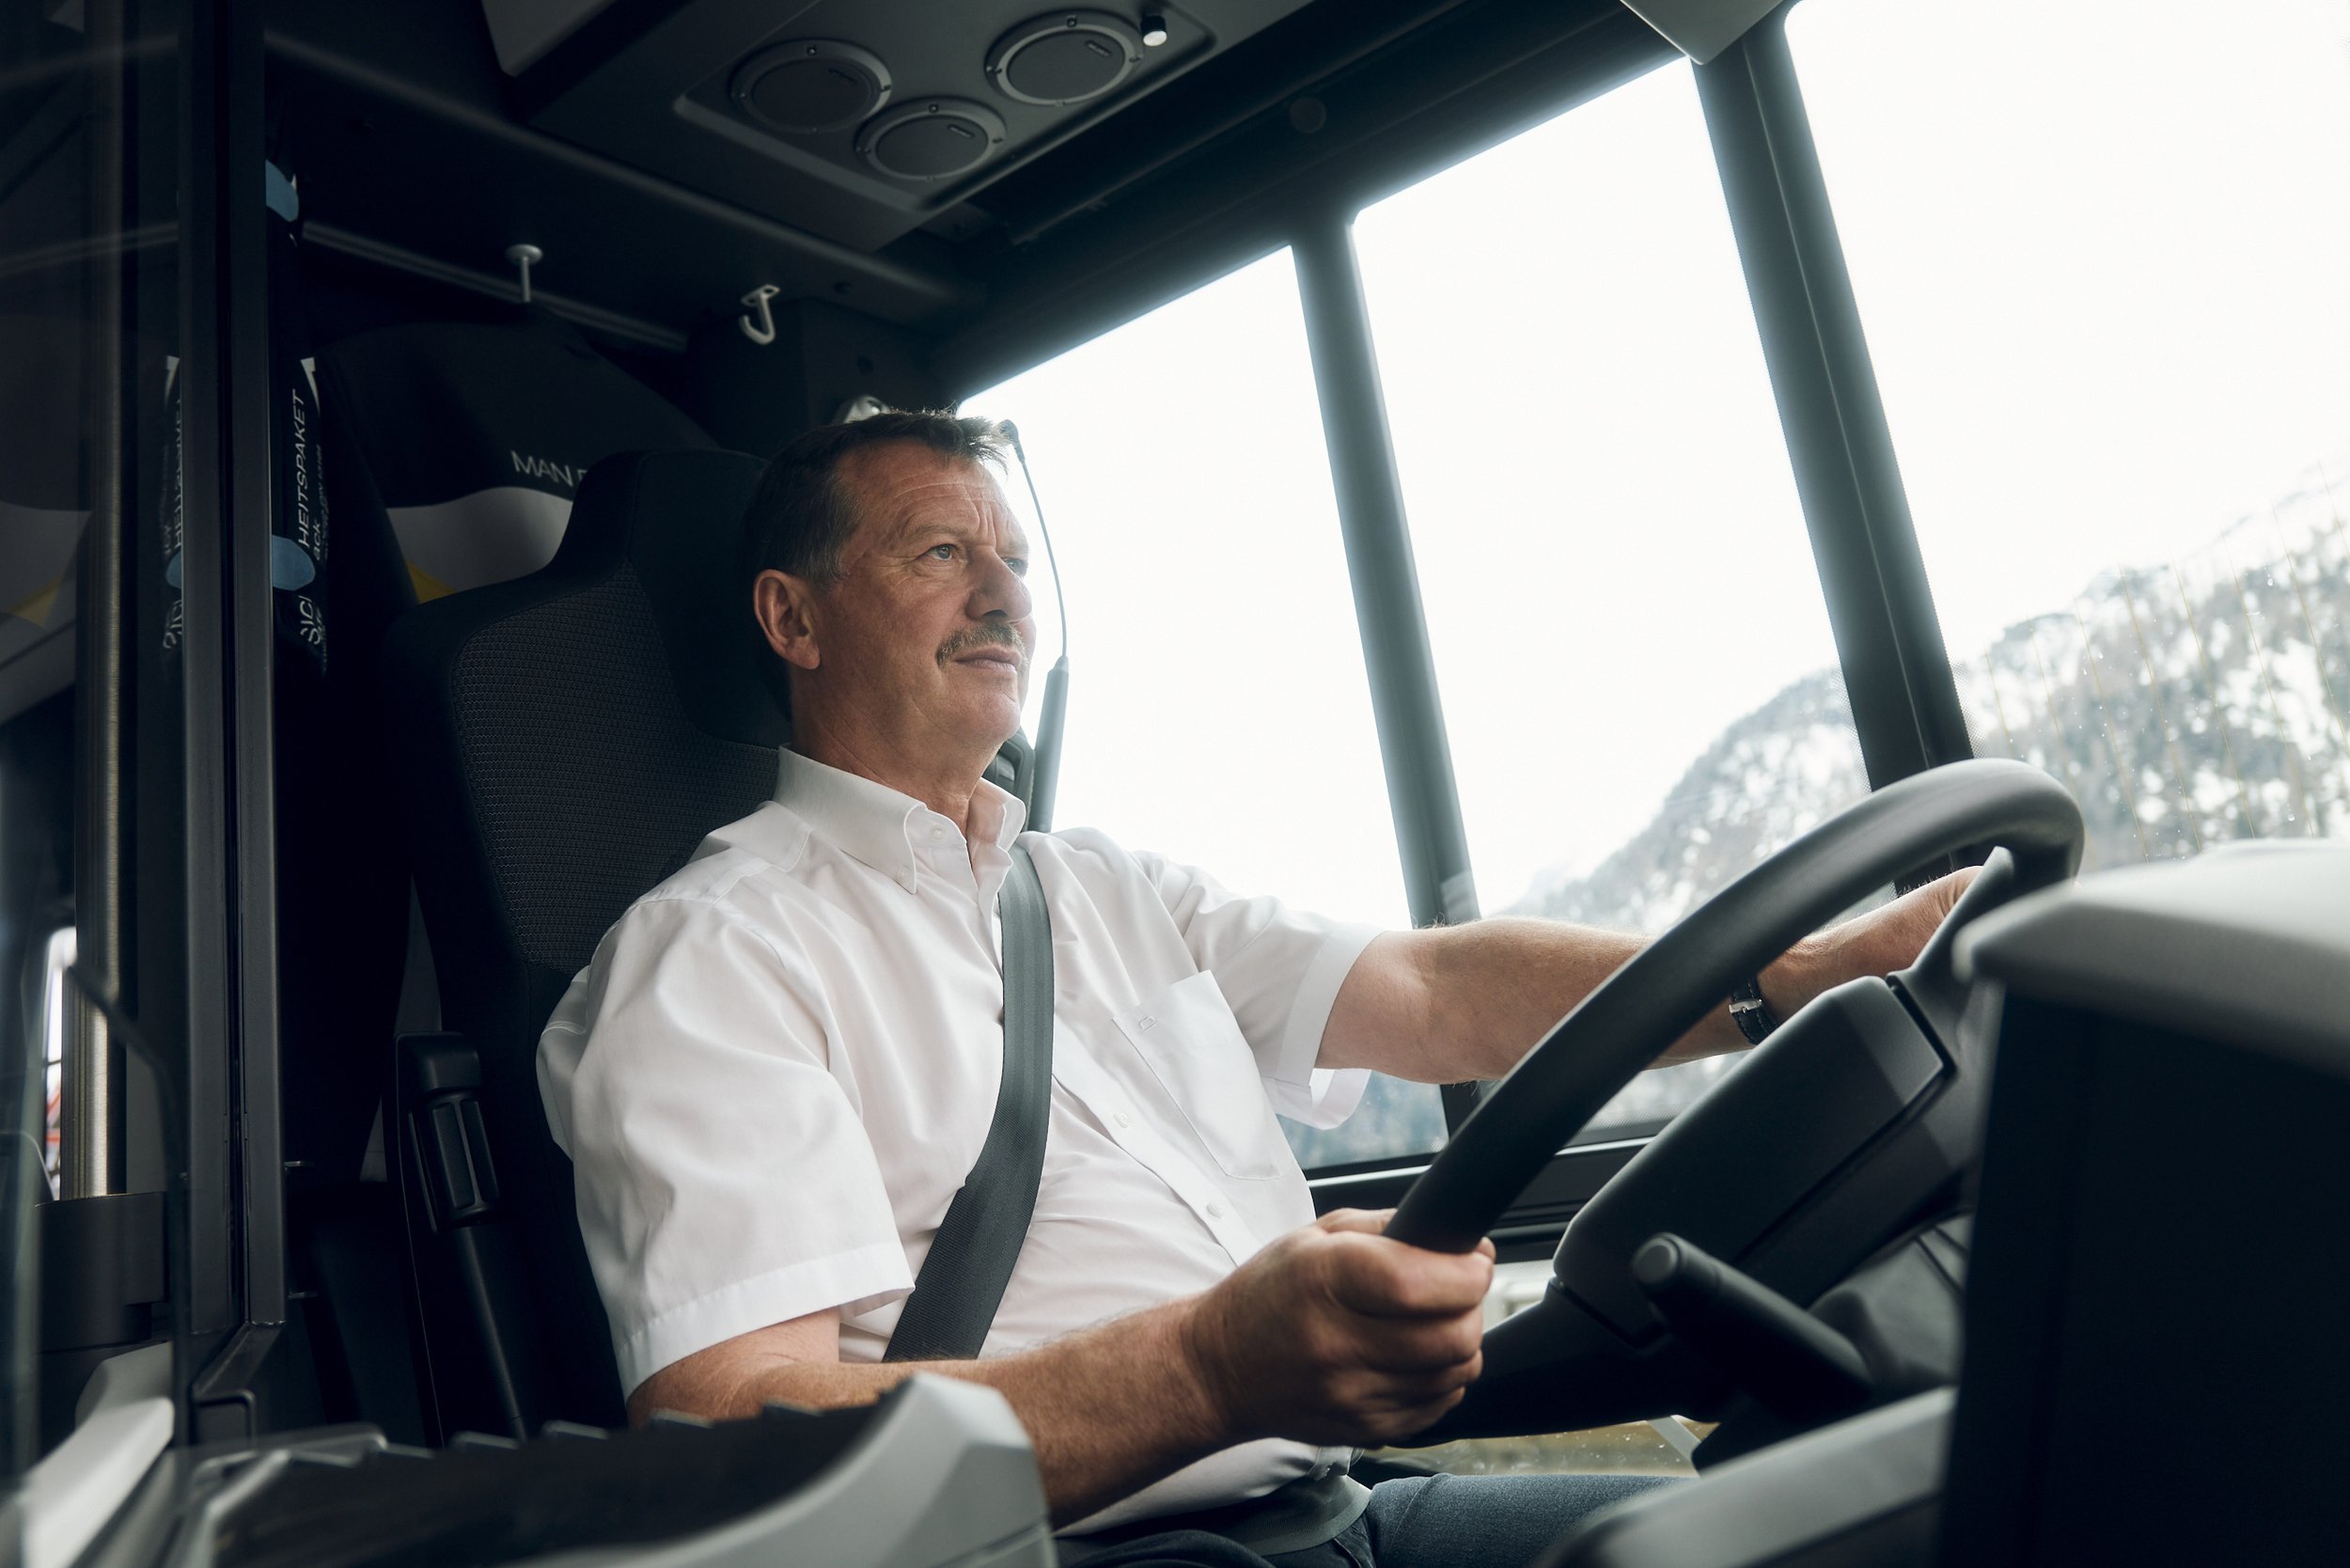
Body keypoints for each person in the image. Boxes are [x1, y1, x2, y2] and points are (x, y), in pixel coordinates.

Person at [537, 412, 1973, 1567]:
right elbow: (729, 1439)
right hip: (1062, 1551)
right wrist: (1208, 1370)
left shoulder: (1101, 888)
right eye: (940, 552)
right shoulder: (716, 952)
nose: (1004, 595)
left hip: (1338, 1510)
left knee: (1901, 1529)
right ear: (793, 620)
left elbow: (1428, 988)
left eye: (1016, 562)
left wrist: (1807, 975)